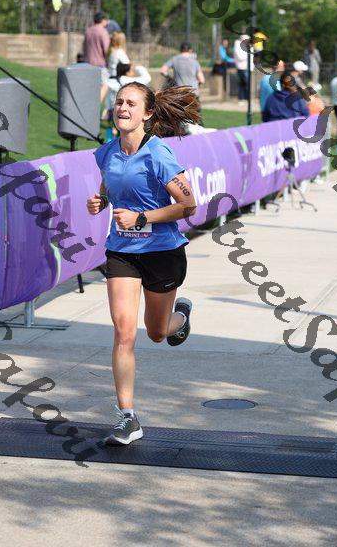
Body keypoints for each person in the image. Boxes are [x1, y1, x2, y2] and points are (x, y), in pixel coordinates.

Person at [87, 82, 200, 445]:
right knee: (124, 333)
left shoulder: (158, 154)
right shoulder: (106, 152)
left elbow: (188, 205)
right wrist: (101, 201)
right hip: (122, 252)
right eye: (119, 102)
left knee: (157, 332)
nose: (122, 108)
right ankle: (128, 417)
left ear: (147, 113)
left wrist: (142, 218)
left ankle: (180, 318)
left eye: (131, 104)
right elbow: (110, 184)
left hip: (162, 252)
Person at [104, 62, 151, 139]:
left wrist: (107, 109)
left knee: (119, 131)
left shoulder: (111, 80)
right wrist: (137, 67)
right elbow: (147, 78)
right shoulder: (128, 80)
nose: (133, 72)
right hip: (128, 110)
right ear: (127, 72)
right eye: (132, 71)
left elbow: (108, 97)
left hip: (114, 110)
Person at [83, 11, 111, 101]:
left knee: (91, 87)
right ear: (102, 20)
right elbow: (107, 49)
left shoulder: (88, 30)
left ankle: (89, 104)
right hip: (100, 64)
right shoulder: (103, 31)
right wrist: (109, 63)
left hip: (88, 63)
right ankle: (95, 106)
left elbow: (84, 47)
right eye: (106, 19)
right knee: (104, 85)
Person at [233, 34, 254, 105]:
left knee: (247, 84)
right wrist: (248, 53)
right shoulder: (237, 45)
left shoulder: (248, 46)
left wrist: (251, 67)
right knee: (242, 84)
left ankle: (247, 99)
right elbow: (240, 57)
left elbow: (252, 57)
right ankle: (242, 99)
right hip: (241, 68)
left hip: (247, 68)